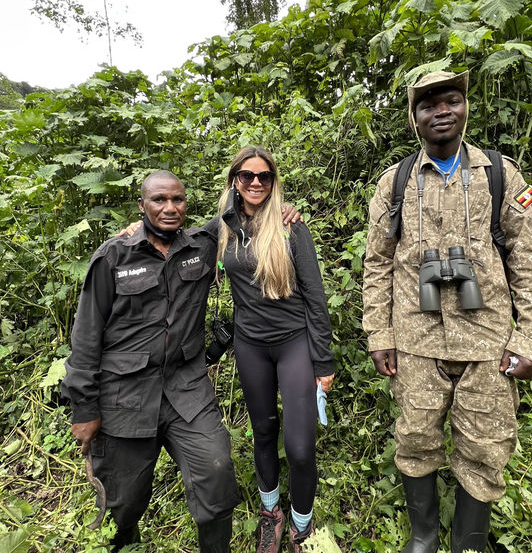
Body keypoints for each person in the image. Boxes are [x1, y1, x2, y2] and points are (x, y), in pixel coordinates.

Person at [362, 70, 532, 553]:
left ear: (466, 107)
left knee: (486, 446)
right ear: (414, 118)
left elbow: (529, 261)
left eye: (451, 100)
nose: (441, 111)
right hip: (416, 342)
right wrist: (379, 334)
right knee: (414, 439)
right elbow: (377, 265)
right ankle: (423, 537)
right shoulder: (396, 183)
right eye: (428, 106)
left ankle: (468, 544)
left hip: (488, 342)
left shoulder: (499, 174)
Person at [61, 171, 242, 552]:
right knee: (122, 504)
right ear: (141, 206)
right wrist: (84, 408)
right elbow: (86, 337)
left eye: (177, 200)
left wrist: (283, 206)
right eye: (159, 200)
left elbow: (237, 207)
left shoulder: (200, 247)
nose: (169, 208)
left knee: (217, 473)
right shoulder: (113, 255)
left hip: (186, 390)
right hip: (124, 398)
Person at [216, 146, 335, 553]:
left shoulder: (290, 228)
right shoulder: (223, 227)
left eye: (264, 177)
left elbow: (315, 298)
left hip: (294, 343)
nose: (255, 183)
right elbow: (173, 236)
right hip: (250, 345)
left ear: (273, 181)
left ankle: (303, 523)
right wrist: (135, 230)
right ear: (235, 179)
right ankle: (272, 513)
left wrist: (324, 360)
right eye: (247, 176)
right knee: (263, 431)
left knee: (300, 448)